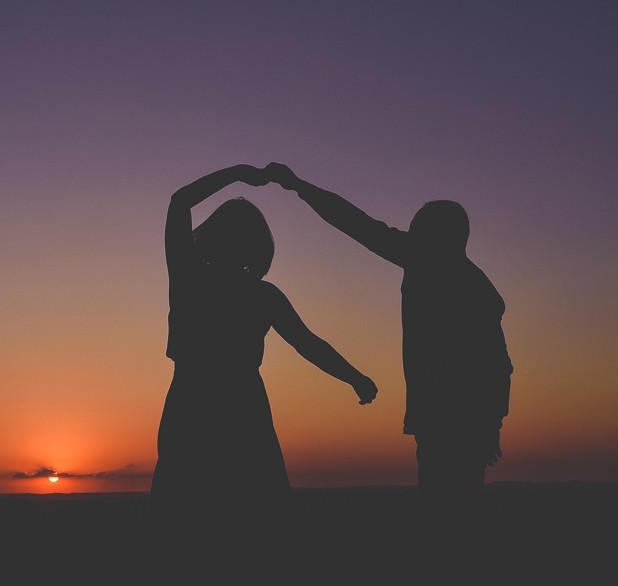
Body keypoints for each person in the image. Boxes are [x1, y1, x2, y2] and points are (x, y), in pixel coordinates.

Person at [265, 163, 512, 517]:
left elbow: (357, 224)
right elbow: (499, 365)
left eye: (417, 231)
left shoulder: (435, 268)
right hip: (457, 419)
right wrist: (491, 425)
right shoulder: (471, 284)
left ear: (433, 237)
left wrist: (299, 186)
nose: (408, 236)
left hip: (449, 418)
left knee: (446, 509)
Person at [151, 163, 378, 536]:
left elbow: (181, 200)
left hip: (193, 397)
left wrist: (241, 173)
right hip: (239, 401)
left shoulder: (189, 276)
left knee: (185, 507)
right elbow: (308, 343)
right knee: (254, 508)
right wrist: (354, 377)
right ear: (258, 245)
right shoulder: (260, 294)